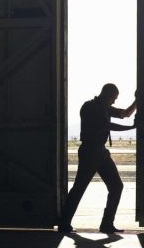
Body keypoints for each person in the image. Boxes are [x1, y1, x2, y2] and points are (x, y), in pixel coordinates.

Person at [59, 84, 137, 234]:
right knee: (79, 189)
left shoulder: (104, 107)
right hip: (90, 151)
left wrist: (137, 101)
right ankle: (64, 223)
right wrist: (131, 128)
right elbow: (108, 125)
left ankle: (107, 224)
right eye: (113, 98)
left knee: (116, 186)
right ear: (107, 95)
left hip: (100, 152)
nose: (114, 102)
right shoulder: (89, 107)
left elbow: (125, 113)